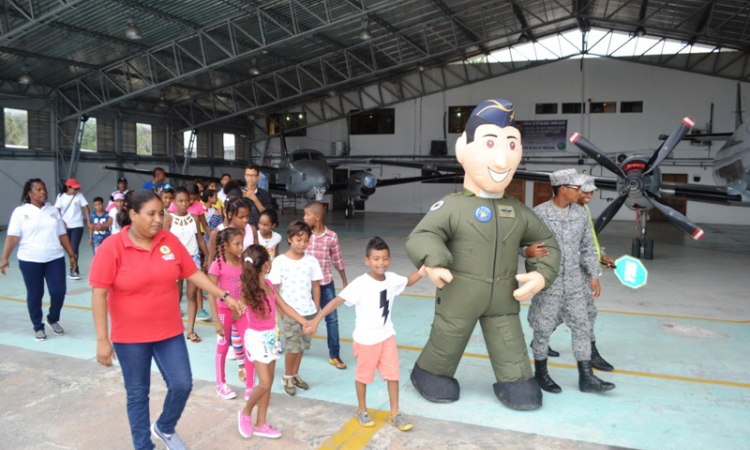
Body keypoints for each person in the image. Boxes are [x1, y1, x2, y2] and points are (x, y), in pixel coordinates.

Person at [405, 98, 561, 410]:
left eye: (511, 144)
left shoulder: (516, 211)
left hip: (504, 297)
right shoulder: (452, 206)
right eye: (490, 143)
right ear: (464, 148)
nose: (502, 160)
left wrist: (541, 273)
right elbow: (423, 235)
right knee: (447, 339)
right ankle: (429, 372)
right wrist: (433, 262)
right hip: (459, 293)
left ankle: (515, 380)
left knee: (510, 343)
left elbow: (547, 242)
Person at [90, 189, 242, 450]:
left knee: (182, 384)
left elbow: (193, 273)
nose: (158, 219)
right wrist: (102, 340)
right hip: (130, 337)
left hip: (168, 331)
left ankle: (164, 426)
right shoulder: (112, 247)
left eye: (161, 213)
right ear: (133, 214)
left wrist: (223, 295)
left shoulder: (168, 241)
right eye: (151, 214)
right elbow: (99, 294)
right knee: (138, 394)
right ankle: (143, 445)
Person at [309, 237, 425, 431]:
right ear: (367, 261)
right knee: (364, 376)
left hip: (387, 336)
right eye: (376, 259)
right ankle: (361, 409)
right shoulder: (360, 283)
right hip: (366, 340)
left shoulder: (393, 279)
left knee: (393, 375)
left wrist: (424, 270)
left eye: (385, 258)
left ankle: (395, 413)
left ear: (390, 259)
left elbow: (409, 281)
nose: (381, 263)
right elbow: (337, 301)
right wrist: (316, 319)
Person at [527, 169, 615, 394]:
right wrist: (527, 251)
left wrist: (594, 275)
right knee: (543, 327)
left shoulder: (581, 214)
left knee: (582, 326)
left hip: (575, 281)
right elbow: (521, 243)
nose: (581, 192)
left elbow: (587, 246)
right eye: (576, 188)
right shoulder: (539, 214)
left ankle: (586, 377)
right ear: (562, 188)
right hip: (549, 281)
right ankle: (541, 373)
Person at [238, 245, 312, 439]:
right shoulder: (248, 290)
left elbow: (284, 306)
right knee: (265, 382)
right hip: (256, 339)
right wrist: (234, 306)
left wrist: (304, 321)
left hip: (271, 337)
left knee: (268, 384)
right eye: (269, 258)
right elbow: (237, 310)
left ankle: (261, 423)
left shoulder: (269, 285)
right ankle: (246, 412)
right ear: (265, 265)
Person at [2, 178, 77, 341]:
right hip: (29, 260)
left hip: (54, 257)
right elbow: (13, 237)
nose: (43, 192)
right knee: (35, 294)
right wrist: (4, 257)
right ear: (29, 193)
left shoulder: (53, 211)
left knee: (58, 291)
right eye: (39, 189)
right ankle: (38, 326)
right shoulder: (20, 212)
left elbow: (62, 234)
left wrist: (71, 254)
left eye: (44, 189)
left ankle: (52, 318)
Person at [267, 220, 323, 396]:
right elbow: (274, 291)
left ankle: (295, 373)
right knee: (292, 347)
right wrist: (283, 314)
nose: (303, 244)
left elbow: (316, 286)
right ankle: (287, 376)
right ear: (290, 239)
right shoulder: (279, 262)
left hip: (308, 312)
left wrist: (316, 310)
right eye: (299, 240)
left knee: (301, 347)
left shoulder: (311, 261)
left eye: (306, 240)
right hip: (289, 313)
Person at [207, 227, 253, 400]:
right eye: (237, 244)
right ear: (225, 245)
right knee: (223, 347)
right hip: (223, 312)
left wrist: (241, 303)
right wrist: (217, 322)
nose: (241, 247)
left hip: (241, 311)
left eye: (242, 243)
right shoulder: (216, 265)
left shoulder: (243, 263)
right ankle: (220, 384)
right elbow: (212, 293)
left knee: (249, 347)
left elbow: (247, 285)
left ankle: (250, 386)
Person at [576, 174, 615, 371]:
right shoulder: (569, 213)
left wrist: (603, 256)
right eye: (585, 191)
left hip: (584, 271)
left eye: (592, 191)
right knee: (587, 314)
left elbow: (589, 242)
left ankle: (540, 339)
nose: (590, 194)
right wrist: (592, 275)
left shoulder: (584, 209)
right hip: (573, 274)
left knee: (558, 312)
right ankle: (591, 354)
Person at [303, 201, 349, 370]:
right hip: (305, 285)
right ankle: (298, 347)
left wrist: (344, 279)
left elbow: (337, 259)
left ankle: (334, 355)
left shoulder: (332, 236)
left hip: (326, 284)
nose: (304, 218)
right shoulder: (304, 235)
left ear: (317, 217)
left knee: (332, 319)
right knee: (301, 316)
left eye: (307, 215)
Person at [164, 187, 210, 342]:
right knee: (176, 295)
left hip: (193, 259)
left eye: (186, 200)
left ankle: (190, 330)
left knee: (192, 295)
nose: (184, 204)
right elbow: (163, 241)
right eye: (180, 201)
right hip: (175, 260)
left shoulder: (194, 218)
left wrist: (208, 257)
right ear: (174, 202)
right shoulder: (169, 219)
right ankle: (173, 326)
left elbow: (200, 239)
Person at [54, 177, 91, 280]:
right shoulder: (60, 197)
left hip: (77, 225)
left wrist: (88, 221)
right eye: (74, 189)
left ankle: (74, 270)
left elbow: (86, 208)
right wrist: (61, 221)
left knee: (74, 248)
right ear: (68, 187)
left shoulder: (79, 196)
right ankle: (72, 266)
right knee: (66, 248)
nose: (76, 191)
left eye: (77, 189)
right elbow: (56, 210)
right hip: (64, 227)